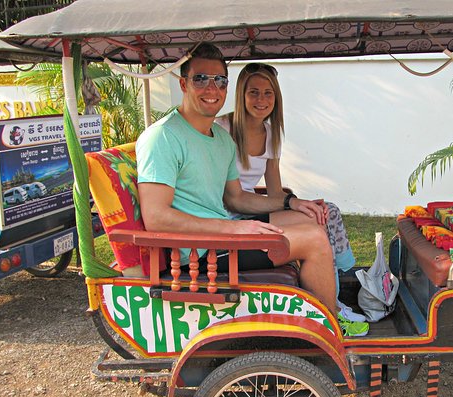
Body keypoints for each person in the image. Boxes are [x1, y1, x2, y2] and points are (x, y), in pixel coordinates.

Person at [135, 43, 368, 336]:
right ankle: (329, 329)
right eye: (201, 79)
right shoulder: (163, 137)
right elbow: (156, 217)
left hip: (222, 239)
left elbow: (237, 198)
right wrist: (232, 230)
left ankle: (321, 310)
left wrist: (289, 204)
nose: (212, 88)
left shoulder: (220, 138)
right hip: (196, 253)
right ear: (183, 83)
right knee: (314, 240)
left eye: (220, 80)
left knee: (314, 222)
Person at [216, 62, 365, 325]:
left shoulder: (271, 132)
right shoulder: (223, 129)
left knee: (324, 212)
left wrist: (298, 205)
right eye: (254, 92)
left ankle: (340, 284)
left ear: (276, 97)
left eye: (268, 93)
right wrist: (292, 203)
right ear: (241, 94)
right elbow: (232, 197)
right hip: (232, 216)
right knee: (316, 227)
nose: (261, 99)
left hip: (252, 208)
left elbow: (275, 190)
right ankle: (334, 307)